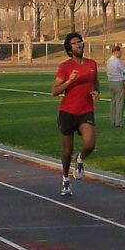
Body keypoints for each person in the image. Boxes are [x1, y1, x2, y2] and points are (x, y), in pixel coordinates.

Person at [51, 32, 98, 196]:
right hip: (68, 112)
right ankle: (65, 179)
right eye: (74, 43)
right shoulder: (65, 66)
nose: (79, 45)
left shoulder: (92, 64)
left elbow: (95, 81)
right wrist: (69, 81)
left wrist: (96, 91)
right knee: (66, 150)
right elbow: (54, 91)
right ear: (69, 49)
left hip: (86, 111)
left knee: (90, 143)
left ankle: (80, 158)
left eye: (80, 42)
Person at [104, 45, 125, 127]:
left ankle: (112, 121)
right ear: (116, 52)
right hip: (118, 82)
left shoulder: (108, 61)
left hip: (111, 82)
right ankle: (119, 121)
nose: (121, 53)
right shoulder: (117, 61)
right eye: (120, 51)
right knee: (119, 102)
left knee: (113, 102)